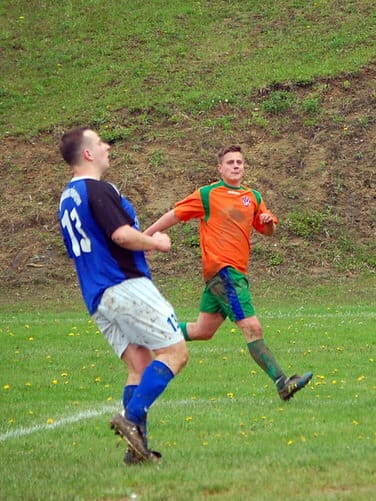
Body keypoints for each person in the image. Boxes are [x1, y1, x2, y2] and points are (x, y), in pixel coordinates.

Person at [57, 127, 188, 464]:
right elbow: (120, 236)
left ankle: (137, 451)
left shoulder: (67, 197)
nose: (107, 146)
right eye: (100, 142)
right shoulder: (95, 189)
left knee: (139, 366)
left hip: (97, 295)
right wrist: (156, 241)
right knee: (174, 352)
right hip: (123, 284)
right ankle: (131, 419)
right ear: (87, 154)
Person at [144, 145, 312, 400]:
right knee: (252, 327)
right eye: (230, 162)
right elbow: (176, 214)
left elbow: (266, 230)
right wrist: (145, 237)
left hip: (230, 273)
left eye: (239, 162)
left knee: (203, 330)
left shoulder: (253, 197)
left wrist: (267, 223)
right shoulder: (208, 194)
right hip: (225, 271)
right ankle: (282, 382)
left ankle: (148, 333)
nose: (236, 166)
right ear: (219, 168)